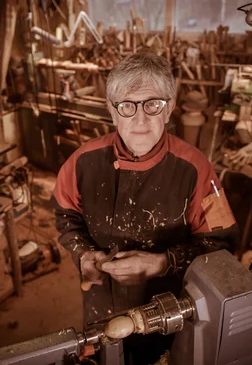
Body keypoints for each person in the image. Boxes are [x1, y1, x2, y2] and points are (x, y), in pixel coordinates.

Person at [52, 52, 239, 364]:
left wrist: (162, 263)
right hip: (101, 303)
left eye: (153, 104)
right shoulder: (81, 162)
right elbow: (65, 216)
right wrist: (83, 253)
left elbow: (222, 244)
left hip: (169, 310)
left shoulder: (197, 169)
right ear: (112, 111)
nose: (140, 119)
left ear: (170, 109)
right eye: (127, 105)